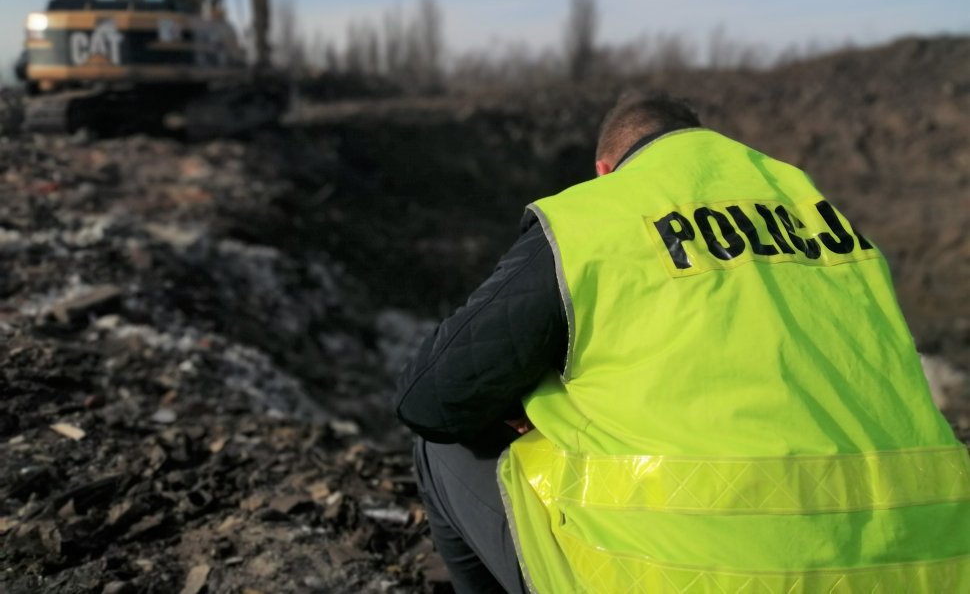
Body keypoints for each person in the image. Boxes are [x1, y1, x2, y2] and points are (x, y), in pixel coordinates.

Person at [395, 92, 970, 593]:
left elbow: (432, 396)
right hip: (935, 567)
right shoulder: (818, 210)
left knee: (439, 446)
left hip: (697, 577)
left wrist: (527, 402)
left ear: (604, 168)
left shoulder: (595, 215)